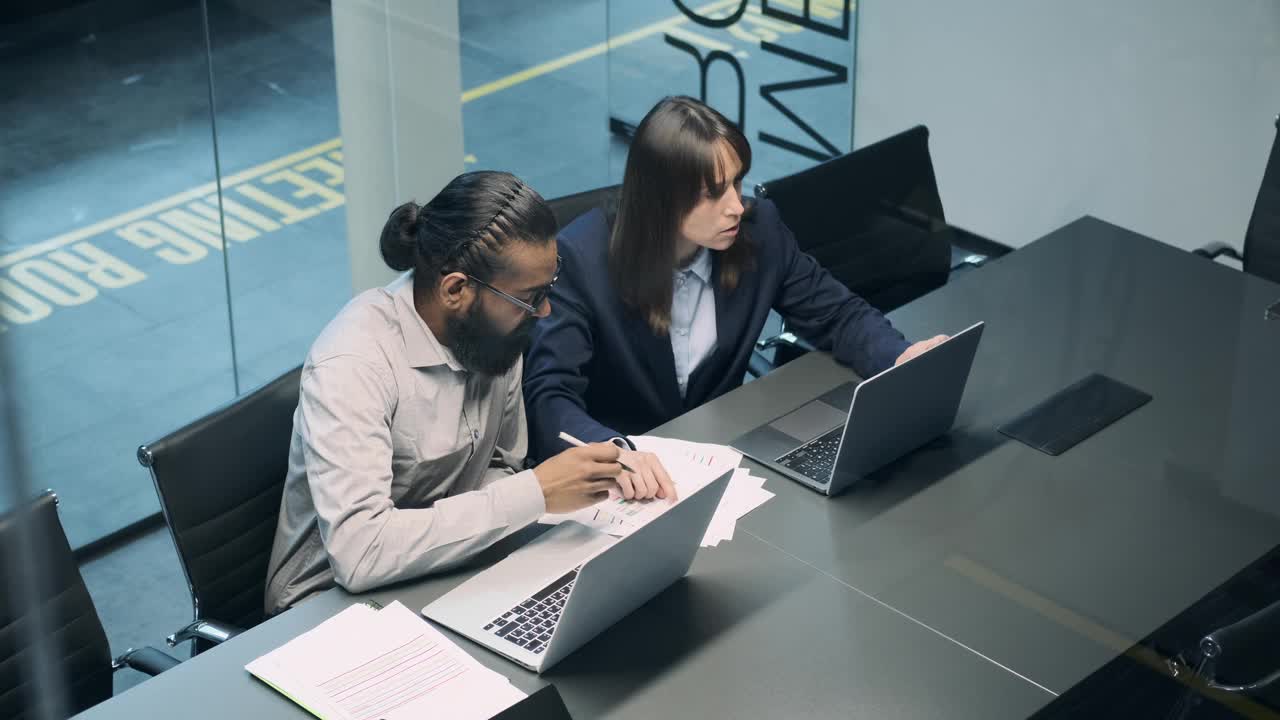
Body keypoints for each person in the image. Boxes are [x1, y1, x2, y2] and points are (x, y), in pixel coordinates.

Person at [523, 96, 947, 484]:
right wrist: (617, 455)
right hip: (627, 483)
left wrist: (900, 355)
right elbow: (549, 399)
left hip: (723, 458)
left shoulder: (760, 231)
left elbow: (838, 315)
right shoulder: (581, 260)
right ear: (660, 202)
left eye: (737, 183)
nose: (736, 206)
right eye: (712, 193)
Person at [265, 171, 627, 615]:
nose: (545, 310)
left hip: (448, 574)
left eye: (547, 290)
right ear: (456, 289)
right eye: (532, 297)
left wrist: (536, 494)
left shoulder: (496, 333)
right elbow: (360, 553)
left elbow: (499, 464)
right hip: (327, 612)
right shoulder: (353, 366)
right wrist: (536, 492)